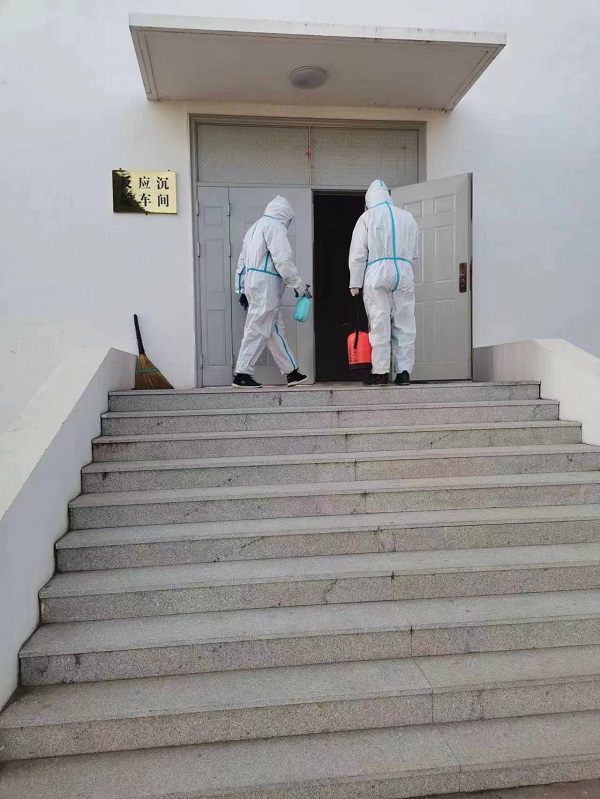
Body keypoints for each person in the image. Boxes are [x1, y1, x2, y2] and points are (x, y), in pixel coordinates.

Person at [348, 179, 419, 386]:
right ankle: (404, 372)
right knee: (405, 322)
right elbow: (415, 254)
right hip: (404, 272)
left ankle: (380, 372)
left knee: (379, 321)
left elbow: (358, 253)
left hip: (377, 271)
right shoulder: (408, 218)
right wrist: (407, 271)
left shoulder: (367, 217)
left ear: (369, 199)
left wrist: (355, 282)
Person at [233, 196, 308, 388]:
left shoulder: (253, 229)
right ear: (285, 216)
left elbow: (242, 262)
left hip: (253, 283)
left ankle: (291, 372)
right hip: (266, 286)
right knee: (257, 328)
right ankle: (242, 373)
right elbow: (282, 259)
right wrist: (298, 286)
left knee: (273, 330)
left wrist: (241, 288)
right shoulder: (274, 226)